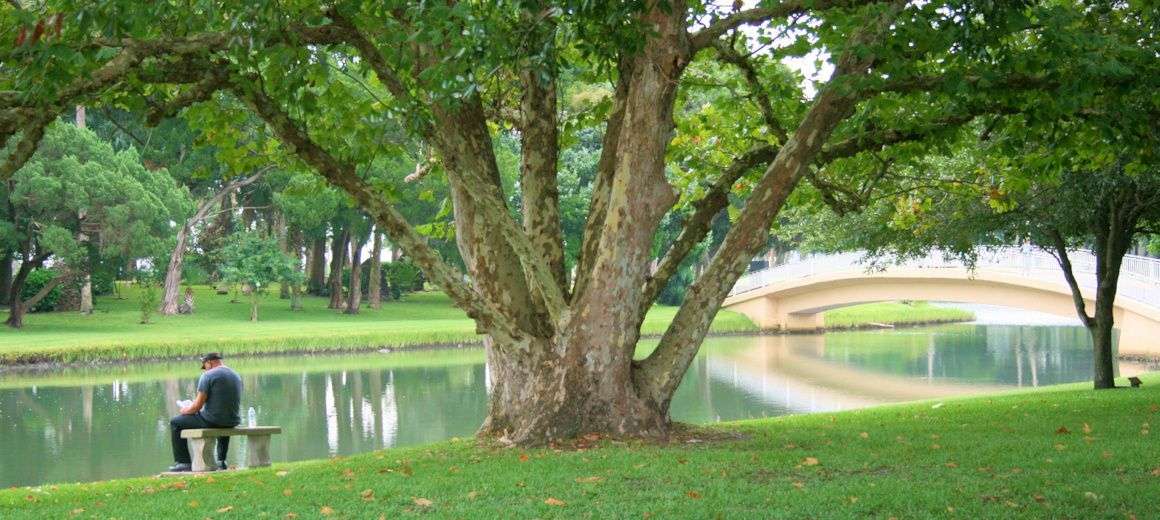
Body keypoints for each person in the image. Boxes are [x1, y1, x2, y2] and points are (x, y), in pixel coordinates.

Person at [168, 352, 243, 472]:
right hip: (232, 420)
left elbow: (196, 407)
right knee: (222, 418)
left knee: (176, 422)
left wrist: (185, 409)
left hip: (213, 420)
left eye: (205, 366)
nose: (204, 370)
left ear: (209, 362)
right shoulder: (236, 375)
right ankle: (221, 461)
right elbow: (224, 402)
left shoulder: (208, 376)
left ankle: (183, 462)